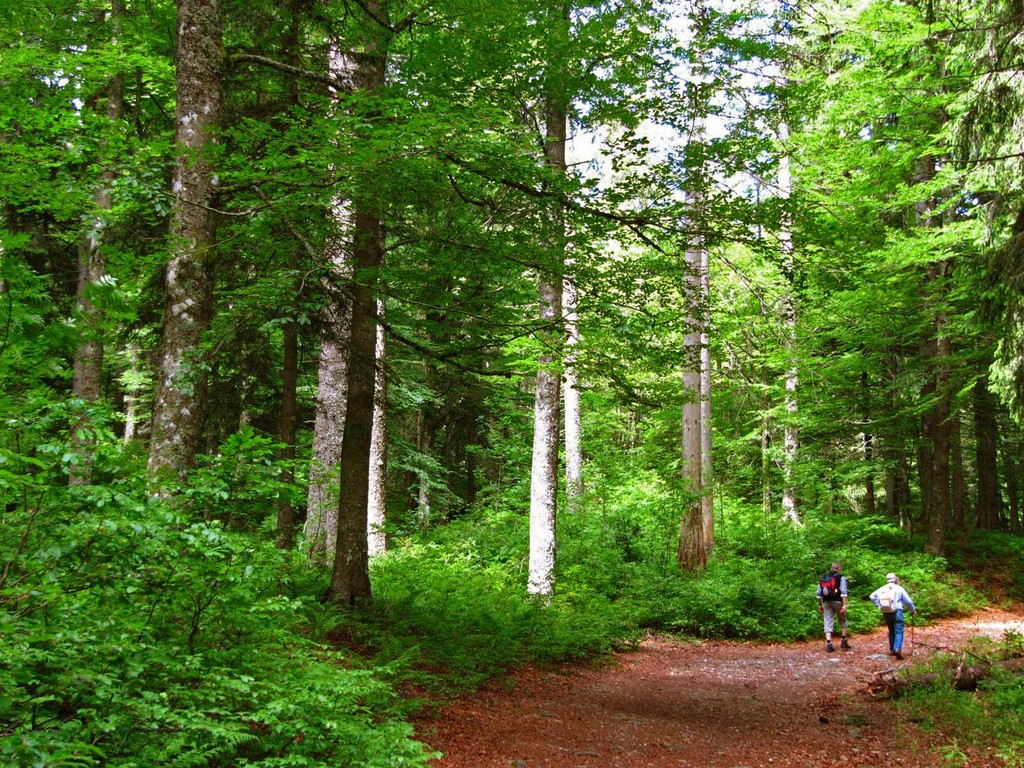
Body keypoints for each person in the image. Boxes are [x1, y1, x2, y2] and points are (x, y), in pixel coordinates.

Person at [869, 573, 917, 660]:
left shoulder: (882, 588)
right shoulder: (899, 588)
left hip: (886, 611)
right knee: (898, 631)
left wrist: (878, 605)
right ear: (895, 579)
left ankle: (892, 650)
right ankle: (897, 649)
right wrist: (913, 610)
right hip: (897, 611)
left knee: (891, 630)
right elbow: (908, 601)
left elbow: (872, 596)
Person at [816, 561, 851, 652]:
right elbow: (844, 592)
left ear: (831, 568)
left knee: (828, 621)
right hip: (838, 601)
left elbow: (818, 594)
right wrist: (844, 604)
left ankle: (829, 644)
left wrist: (820, 604)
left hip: (826, 602)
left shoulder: (824, 577)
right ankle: (843, 641)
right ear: (839, 568)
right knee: (843, 620)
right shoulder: (841, 577)